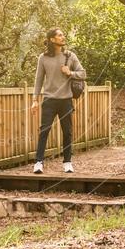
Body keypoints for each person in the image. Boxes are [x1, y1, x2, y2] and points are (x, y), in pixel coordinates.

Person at [31, 28, 86, 174]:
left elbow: (83, 73)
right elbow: (38, 80)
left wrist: (70, 72)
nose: (63, 37)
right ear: (52, 39)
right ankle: (38, 162)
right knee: (44, 131)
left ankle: (67, 162)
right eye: (60, 35)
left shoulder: (70, 56)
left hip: (66, 100)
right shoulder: (43, 58)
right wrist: (35, 100)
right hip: (49, 100)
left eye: (63, 34)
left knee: (67, 132)